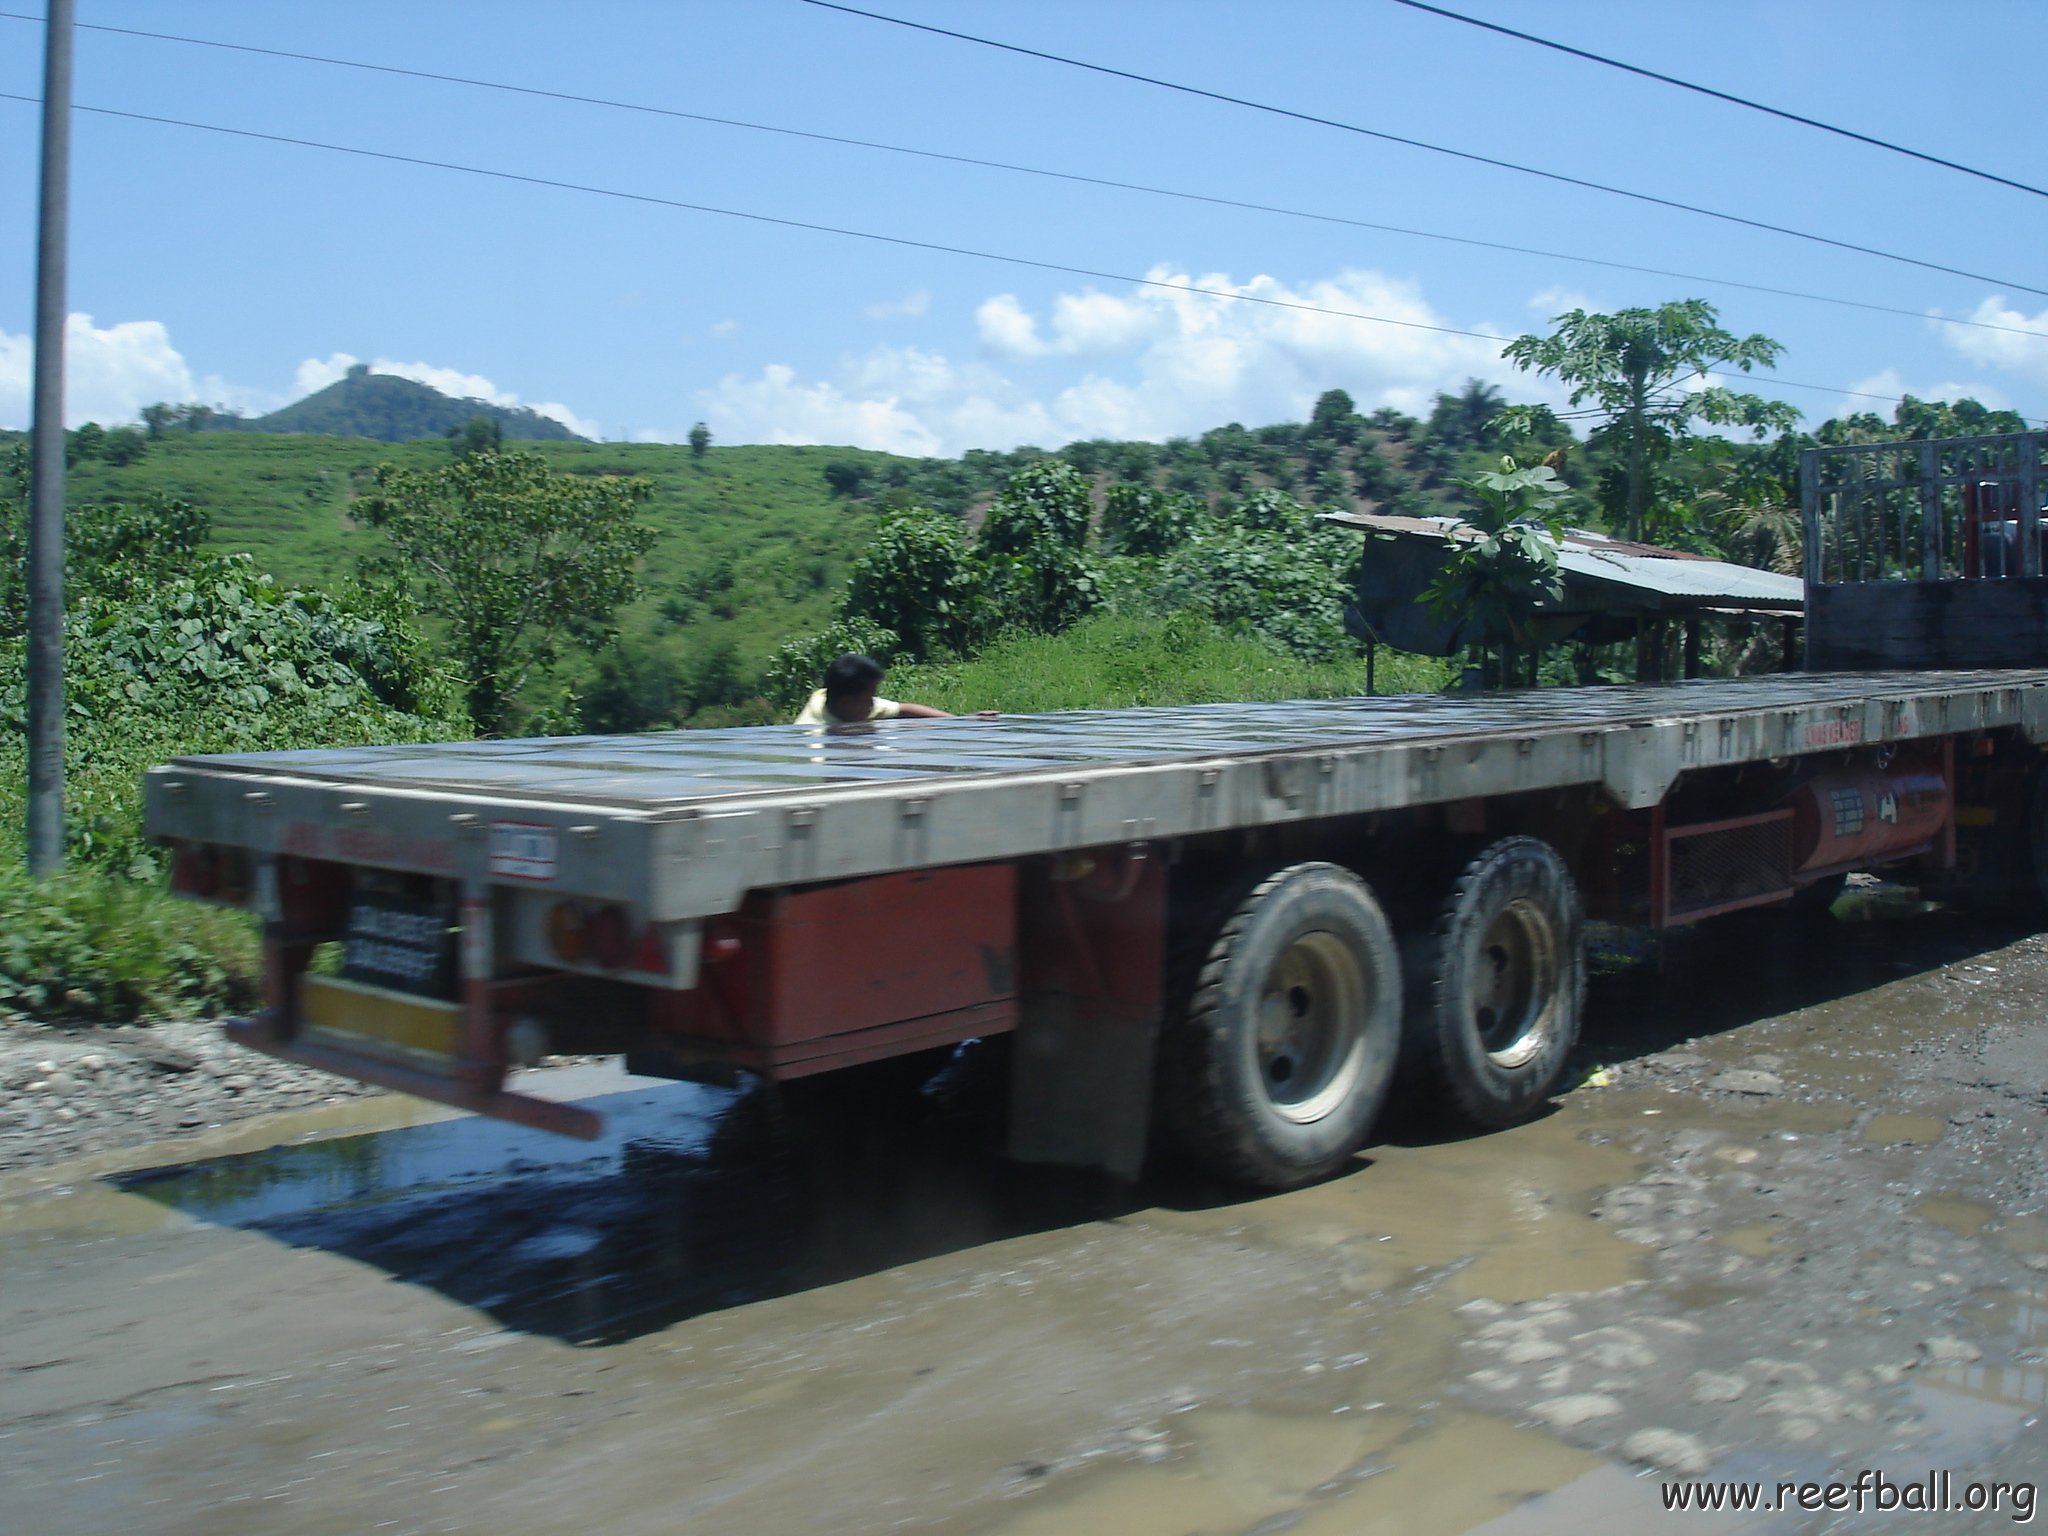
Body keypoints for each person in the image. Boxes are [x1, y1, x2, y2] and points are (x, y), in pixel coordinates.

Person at [794, 652, 960, 725]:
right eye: (869, 700)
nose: (873, 705)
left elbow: (904, 710)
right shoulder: (815, 741)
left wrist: (962, 723)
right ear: (846, 703)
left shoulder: (830, 698)